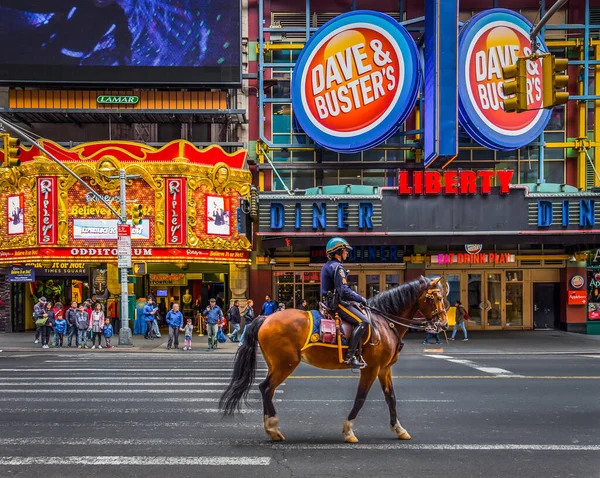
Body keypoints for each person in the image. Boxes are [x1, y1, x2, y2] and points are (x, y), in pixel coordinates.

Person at [320, 237, 370, 368]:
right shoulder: (338, 267)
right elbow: (344, 291)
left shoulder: (328, 265)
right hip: (337, 303)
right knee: (364, 321)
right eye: (345, 251)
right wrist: (362, 299)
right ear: (339, 251)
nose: (347, 253)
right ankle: (351, 356)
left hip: (329, 301)